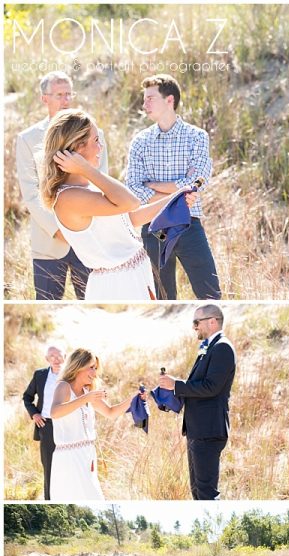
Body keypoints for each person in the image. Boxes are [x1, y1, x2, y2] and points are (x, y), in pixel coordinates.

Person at [41, 108, 188, 300]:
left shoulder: (87, 187)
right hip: (117, 287)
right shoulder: (69, 198)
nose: (101, 147)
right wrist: (86, 168)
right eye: (95, 140)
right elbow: (131, 202)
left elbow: (128, 219)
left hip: (133, 275)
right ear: (77, 147)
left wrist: (177, 197)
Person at [125, 73, 220, 300]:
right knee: (162, 297)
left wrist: (154, 186)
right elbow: (134, 188)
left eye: (150, 98)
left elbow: (197, 180)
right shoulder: (140, 141)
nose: (144, 104)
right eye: (144, 98)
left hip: (189, 224)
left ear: (170, 100)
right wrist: (178, 191)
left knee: (211, 293)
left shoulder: (196, 136)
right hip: (153, 228)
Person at [16, 71, 101, 300]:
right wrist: (59, 229)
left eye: (68, 94)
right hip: (49, 242)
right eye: (59, 95)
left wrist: (80, 228)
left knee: (92, 301)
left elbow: (100, 181)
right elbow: (31, 193)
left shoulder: (94, 134)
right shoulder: (27, 139)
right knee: (46, 301)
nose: (65, 100)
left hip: (88, 238)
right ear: (45, 98)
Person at [158, 305, 236, 500]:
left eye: (196, 322)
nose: (194, 327)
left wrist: (177, 385)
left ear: (212, 321)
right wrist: (171, 393)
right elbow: (198, 385)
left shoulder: (222, 347)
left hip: (208, 431)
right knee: (197, 491)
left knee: (206, 493)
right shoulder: (210, 346)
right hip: (198, 430)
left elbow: (211, 387)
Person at [48, 348, 138, 501]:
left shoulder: (87, 392)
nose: (95, 373)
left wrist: (134, 399)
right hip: (69, 457)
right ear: (78, 366)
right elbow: (54, 412)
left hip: (87, 455)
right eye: (91, 367)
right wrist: (86, 398)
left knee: (94, 497)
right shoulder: (63, 386)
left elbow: (110, 412)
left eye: (95, 368)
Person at [22, 346, 66, 501]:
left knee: (68, 465)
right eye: (52, 356)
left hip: (67, 426)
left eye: (59, 355)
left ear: (65, 356)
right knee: (49, 467)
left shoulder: (72, 376)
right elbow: (27, 397)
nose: (56, 359)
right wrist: (34, 414)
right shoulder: (40, 375)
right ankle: (50, 499)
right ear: (47, 359)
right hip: (46, 426)